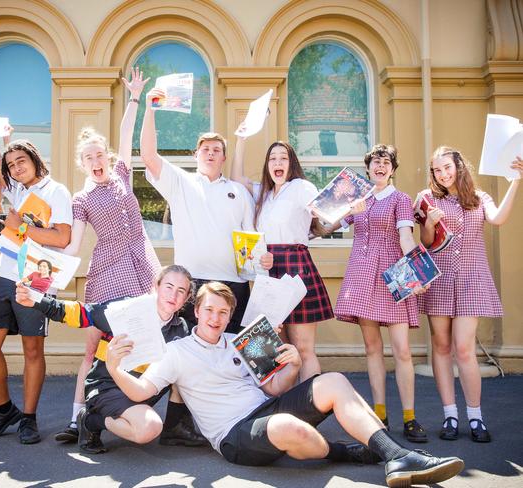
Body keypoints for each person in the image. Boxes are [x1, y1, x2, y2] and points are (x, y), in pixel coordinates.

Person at [105, 282, 464, 488]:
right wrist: (114, 367)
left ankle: (397, 457)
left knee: (333, 381)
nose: (216, 318)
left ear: (230, 316)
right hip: (235, 436)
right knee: (289, 427)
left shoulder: (242, 340)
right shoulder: (176, 352)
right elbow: (141, 392)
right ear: (197, 311)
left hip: (265, 409)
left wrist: (291, 367)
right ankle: (346, 451)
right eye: (209, 310)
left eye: (223, 312)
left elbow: (275, 391)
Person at [53, 68, 162, 443]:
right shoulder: (81, 199)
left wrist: (133, 96)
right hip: (108, 271)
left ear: (107, 157)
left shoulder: (121, 174)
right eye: (89, 157)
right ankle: (76, 418)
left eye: (100, 154)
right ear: (82, 164)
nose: (96, 160)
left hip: (143, 264)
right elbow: (72, 245)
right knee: (95, 347)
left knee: (154, 341)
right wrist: (44, 270)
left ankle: (167, 414)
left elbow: (127, 134)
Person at [15, 265, 207, 453]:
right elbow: (83, 313)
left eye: (181, 291)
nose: (173, 296)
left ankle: (175, 428)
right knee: (148, 429)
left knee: (185, 366)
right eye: (168, 287)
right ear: (156, 286)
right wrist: (37, 301)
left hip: (140, 391)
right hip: (106, 385)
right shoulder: (127, 308)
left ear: (187, 298)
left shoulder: (181, 329)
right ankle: (90, 420)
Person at [0, 94, 73, 445]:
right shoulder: (14, 188)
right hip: (5, 272)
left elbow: (61, 238)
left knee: (33, 350)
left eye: (21, 161)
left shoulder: (56, 191)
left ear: (34, 160)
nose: (15, 167)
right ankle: (5, 411)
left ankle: (28, 418)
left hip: (37, 276)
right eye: (11, 164)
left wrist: (23, 227)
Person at [140, 87, 272, 332]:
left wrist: (262, 261)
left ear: (223, 158)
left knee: (233, 352)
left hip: (235, 284)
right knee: (190, 350)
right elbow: (148, 155)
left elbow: (250, 243)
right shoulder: (180, 182)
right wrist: (150, 109)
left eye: (216, 150)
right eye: (205, 150)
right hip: (192, 283)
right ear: (196, 155)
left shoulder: (239, 191)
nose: (210, 154)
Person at [417, 147, 523, 443]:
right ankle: (450, 415)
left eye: (447, 167)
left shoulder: (479, 197)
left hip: (471, 279)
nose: (442, 174)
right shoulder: (427, 198)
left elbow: (499, 218)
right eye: (437, 170)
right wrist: (429, 223)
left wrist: (517, 181)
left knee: (463, 349)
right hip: (439, 279)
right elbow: (425, 242)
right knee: (440, 346)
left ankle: (475, 417)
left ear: (459, 166)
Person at [327, 144, 428, 442]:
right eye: (375, 161)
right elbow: (325, 226)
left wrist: (417, 271)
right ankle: (379, 414)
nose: (380, 166)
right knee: (372, 349)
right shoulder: (357, 197)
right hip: (361, 275)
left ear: (393, 169)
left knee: (402, 351)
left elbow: (406, 236)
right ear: (368, 168)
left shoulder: (400, 198)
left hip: (393, 277)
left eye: (386, 162)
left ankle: (409, 419)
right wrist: (344, 209)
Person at [231, 132, 334, 380]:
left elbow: (326, 211)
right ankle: (285, 405)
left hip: (295, 265)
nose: (278, 163)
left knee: (303, 347)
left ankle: (313, 407)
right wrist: (241, 138)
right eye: (273, 159)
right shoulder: (262, 193)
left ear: (292, 163)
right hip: (268, 269)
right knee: (275, 345)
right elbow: (236, 178)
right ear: (268, 166)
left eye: (283, 158)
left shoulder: (301, 187)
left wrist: (344, 208)